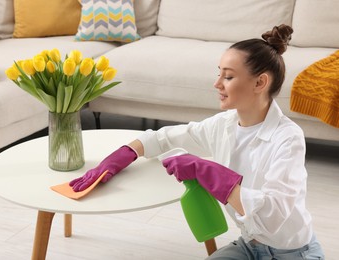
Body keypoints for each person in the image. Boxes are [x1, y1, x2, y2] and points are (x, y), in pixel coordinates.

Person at [69, 24, 325, 259]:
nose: (217, 84)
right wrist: (124, 154)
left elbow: (272, 216)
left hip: (294, 253)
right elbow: (164, 138)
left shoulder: (288, 138)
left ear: (260, 82)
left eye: (228, 77)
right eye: (219, 74)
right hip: (250, 246)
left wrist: (209, 171)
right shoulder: (223, 125)